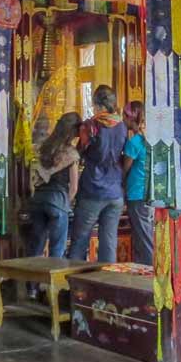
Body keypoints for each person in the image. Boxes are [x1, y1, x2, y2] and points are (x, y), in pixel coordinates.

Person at [68, 85, 127, 262]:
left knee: (80, 241)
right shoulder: (122, 126)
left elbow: (77, 152)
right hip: (115, 192)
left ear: (97, 104)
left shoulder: (91, 125)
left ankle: (75, 286)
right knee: (109, 243)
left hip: (93, 189)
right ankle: (107, 285)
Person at [28, 111, 80, 263]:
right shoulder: (71, 153)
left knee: (36, 248)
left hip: (37, 199)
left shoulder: (43, 147)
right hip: (58, 200)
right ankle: (52, 286)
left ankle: (32, 286)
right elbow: (74, 187)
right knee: (57, 250)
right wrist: (66, 203)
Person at [121, 100, 154, 265]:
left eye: (124, 117)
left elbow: (125, 168)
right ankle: (143, 271)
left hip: (136, 193)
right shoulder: (150, 140)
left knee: (144, 239)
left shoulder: (134, 143)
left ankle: (151, 272)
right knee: (145, 236)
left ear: (129, 118)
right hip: (149, 192)